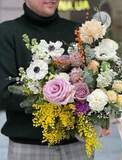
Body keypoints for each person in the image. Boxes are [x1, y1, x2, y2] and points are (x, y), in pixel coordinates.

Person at [0, 0, 110, 160]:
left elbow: (96, 80)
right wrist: (58, 95)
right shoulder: (7, 33)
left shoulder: (77, 31)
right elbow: (4, 92)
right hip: (29, 148)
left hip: (77, 146)